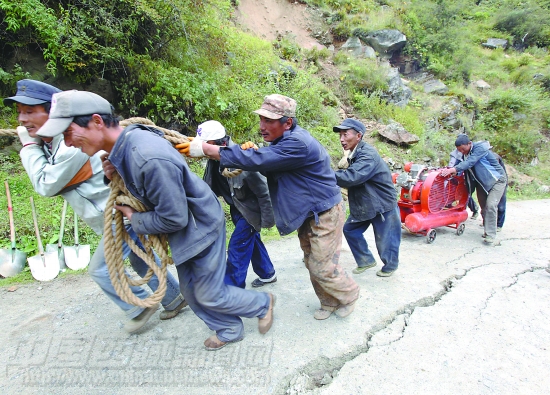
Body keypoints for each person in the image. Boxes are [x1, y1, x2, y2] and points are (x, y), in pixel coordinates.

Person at [37, 89, 275, 351]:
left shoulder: (146, 156)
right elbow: (148, 190)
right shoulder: (126, 146)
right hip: (188, 228)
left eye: (69, 132)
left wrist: (134, 218)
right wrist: (113, 172)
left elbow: (173, 218)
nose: (68, 143)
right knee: (190, 292)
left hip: (200, 226)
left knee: (208, 293)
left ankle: (261, 304)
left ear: (96, 121)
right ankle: (229, 327)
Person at [4, 80, 186, 333]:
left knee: (101, 268)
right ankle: (175, 298)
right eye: (20, 111)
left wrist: (28, 146)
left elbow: (45, 185)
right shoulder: (55, 143)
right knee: (140, 258)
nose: (22, 119)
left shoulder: (72, 144)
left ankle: (139, 306)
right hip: (107, 215)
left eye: (30, 111)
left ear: (54, 111)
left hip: (119, 213)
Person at [183, 94, 360, 321]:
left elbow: (259, 161)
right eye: (261, 119)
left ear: (287, 122)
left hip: (324, 211)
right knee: (311, 260)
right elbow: (266, 163)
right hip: (307, 211)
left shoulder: (298, 143)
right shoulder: (282, 142)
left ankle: (350, 294)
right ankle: (329, 301)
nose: (262, 126)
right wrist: (252, 152)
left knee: (322, 265)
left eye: (269, 121)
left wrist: (207, 150)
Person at [197, 120, 277, 288]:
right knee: (251, 241)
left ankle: (232, 290)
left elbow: (264, 192)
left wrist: (268, 220)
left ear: (215, 142)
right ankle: (267, 273)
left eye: (205, 144)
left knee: (237, 248)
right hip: (236, 208)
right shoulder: (213, 159)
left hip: (251, 212)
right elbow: (208, 186)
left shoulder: (244, 158)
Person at [332, 119, 401, 277]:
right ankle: (365, 260)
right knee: (350, 230)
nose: (341, 139)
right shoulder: (355, 152)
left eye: (345, 134)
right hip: (365, 203)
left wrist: (324, 175)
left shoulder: (367, 154)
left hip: (382, 203)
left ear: (358, 135)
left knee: (386, 239)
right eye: (340, 135)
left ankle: (390, 266)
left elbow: (352, 176)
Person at [441, 134, 507, 244]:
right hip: (482, 183)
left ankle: (491, 234)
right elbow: (458, 163)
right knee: (484, 207)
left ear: (469, 144)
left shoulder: (480, 148)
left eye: (463, 148)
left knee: (491, 205)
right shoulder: (464, 154)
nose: (461, 151)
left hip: (497, 180)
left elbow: (470, 162)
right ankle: (487, 228)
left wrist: (454, 169)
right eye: (459, 150)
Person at [449, 147, 480, 220]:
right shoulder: (454, 154)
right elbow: (451, 164)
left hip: (463, 176)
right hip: (454, 175)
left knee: (465, 194)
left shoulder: (468, 152)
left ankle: (474, 209)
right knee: (451, 193)